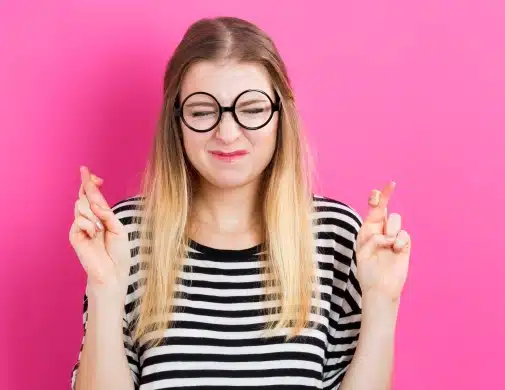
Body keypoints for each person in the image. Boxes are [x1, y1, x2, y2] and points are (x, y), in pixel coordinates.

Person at [69, 16, 411, 390]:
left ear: (281, 116)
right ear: (176, 121)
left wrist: (382, 302)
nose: (228, 134)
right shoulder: (126, 234)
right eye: (202, 111)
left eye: (251, 109)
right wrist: (104, 289)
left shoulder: (335, 236)